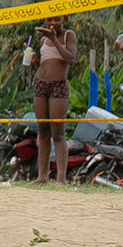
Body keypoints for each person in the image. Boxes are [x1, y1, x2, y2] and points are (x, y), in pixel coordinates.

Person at [29, 14, 77, 185]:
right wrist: (36, 61)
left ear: (64, 20)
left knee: (58, 133)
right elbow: (45, 64)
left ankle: (61, 178)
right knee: (43, 131)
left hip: (58, 85)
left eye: (57, 19)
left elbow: (70, 59)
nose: (53, 23)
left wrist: (54, 39)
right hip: (41, 85)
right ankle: (42, 176)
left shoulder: (68, 35)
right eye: (49, 19)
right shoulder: (43, 40)